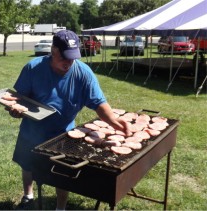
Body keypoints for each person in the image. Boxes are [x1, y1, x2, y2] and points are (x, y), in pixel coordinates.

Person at [7, 30, 131, 210]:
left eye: (73, 58)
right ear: (53, 50)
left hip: (63, 133)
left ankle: (60, 207)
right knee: (27, 164)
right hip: (32, 129)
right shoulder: (33, 68)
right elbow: (19, 98)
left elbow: (98, 102)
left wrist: (114, 120)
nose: (69, 62)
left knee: (62, 174)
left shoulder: (83, 72)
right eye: (64, 57)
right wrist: (15, 110)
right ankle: (28, 196)